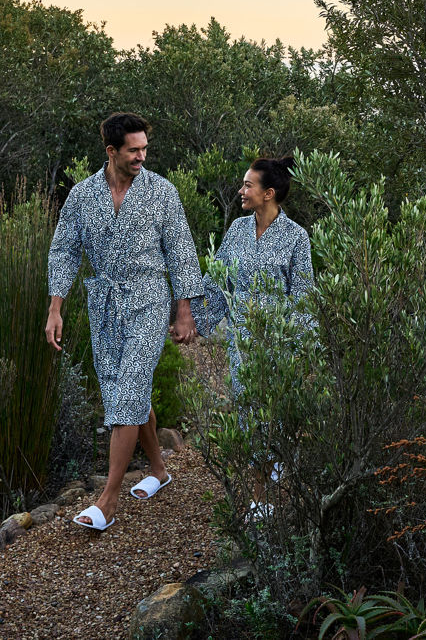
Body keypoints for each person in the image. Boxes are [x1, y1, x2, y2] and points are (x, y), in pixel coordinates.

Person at [46, 112, 203, 530]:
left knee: (129, 389)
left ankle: (108, 501)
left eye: (145, 149)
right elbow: (64, 251)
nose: (141, 157)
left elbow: (181, 251)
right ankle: (159, 470)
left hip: (149, 300)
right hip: (104, 305)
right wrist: (55, 308)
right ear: (111, 151)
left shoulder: (162, 191)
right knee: (123, 394)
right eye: (133, 150)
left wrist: (184, 310)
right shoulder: (83, 195)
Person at [194, 156, 314, 512]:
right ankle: (264, 478)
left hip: (278, 343)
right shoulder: (236, 229)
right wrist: (192, 320)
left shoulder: (296, 237)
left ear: (268, 193)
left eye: (248, 185)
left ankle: (262, 497)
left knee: (271, 413)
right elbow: (217, 280)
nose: (241, 191)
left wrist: (305, 348)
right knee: (249, 411)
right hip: (242, 342)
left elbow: (303, 295)